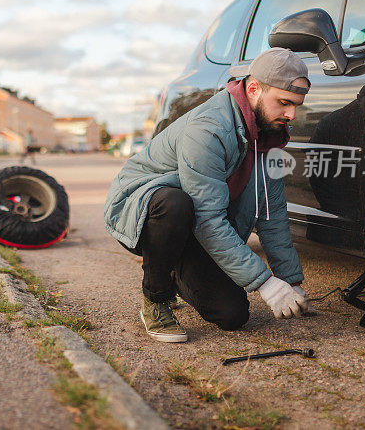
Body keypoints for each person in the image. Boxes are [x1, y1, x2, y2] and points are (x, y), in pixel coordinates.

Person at [104, 47, 312, 342]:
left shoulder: (269, 137)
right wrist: (265, 282)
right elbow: (208, 217)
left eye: (296, 106)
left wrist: (291, 283)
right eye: (284, 103)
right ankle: (156, 299)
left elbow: (272, 215)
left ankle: (175, 270)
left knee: (233, 315)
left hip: (195, 225)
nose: (291, 114)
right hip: (145, 214)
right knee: (176, 204)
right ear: (253, 88)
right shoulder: (209, 129)